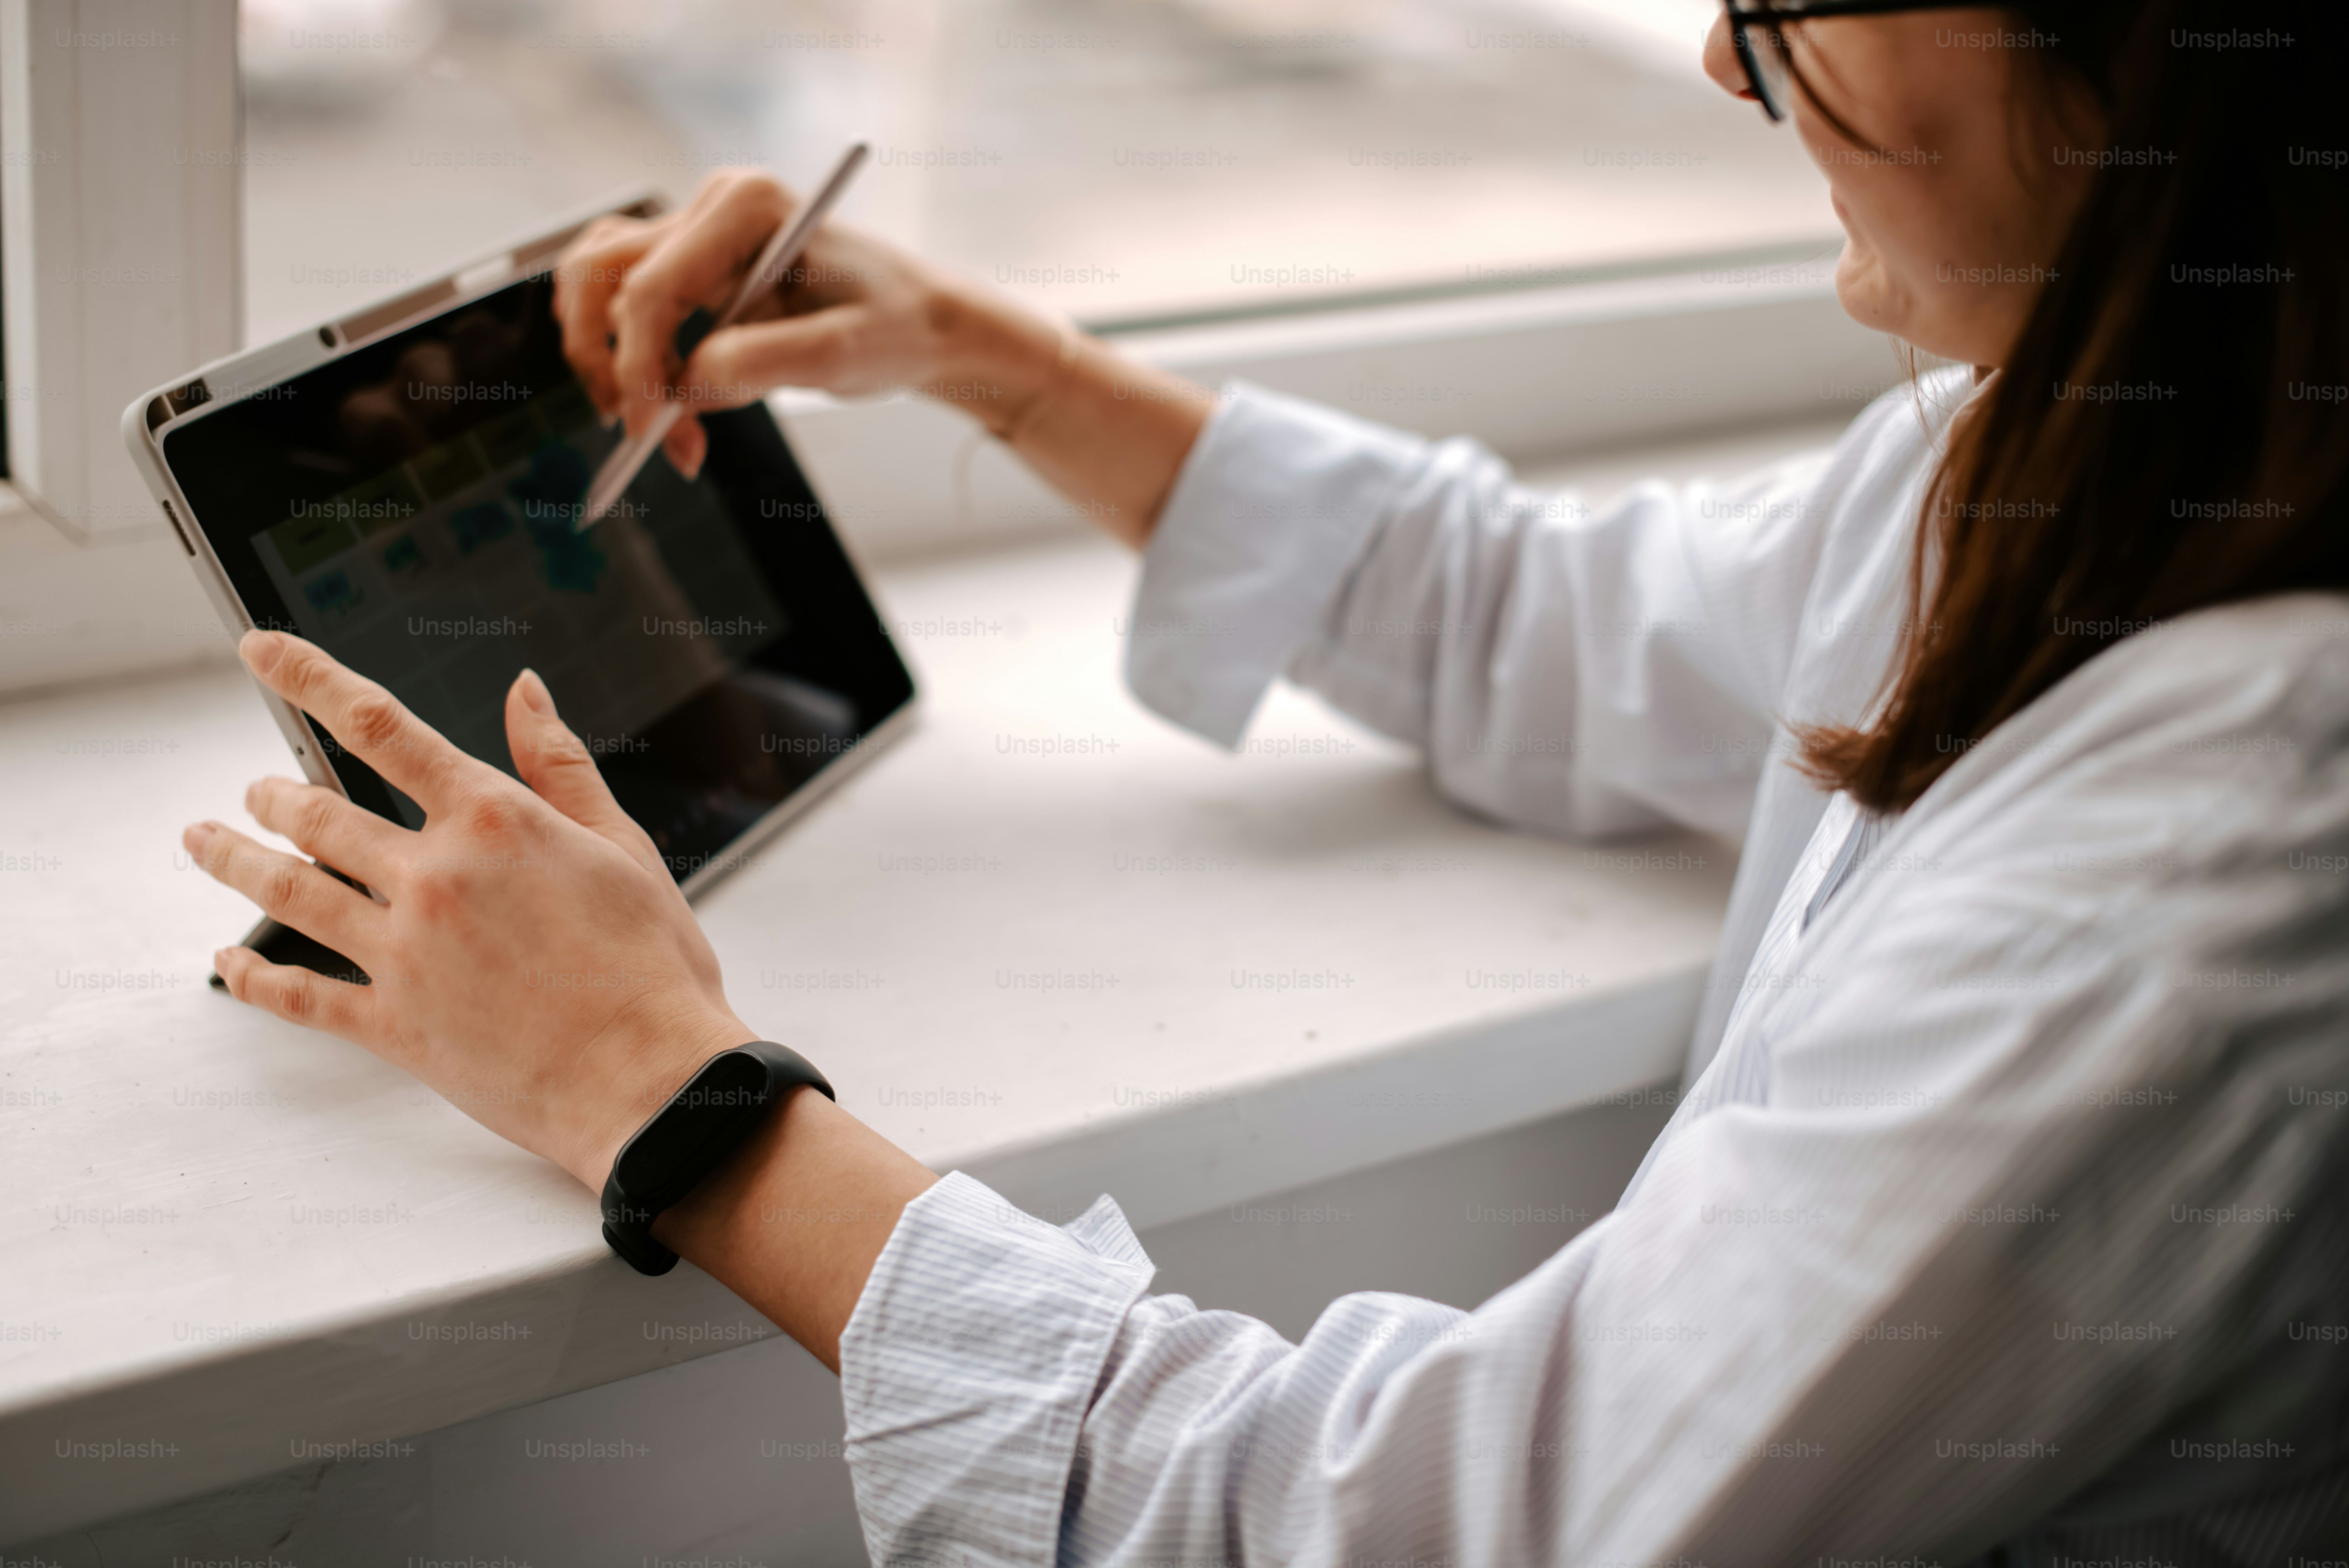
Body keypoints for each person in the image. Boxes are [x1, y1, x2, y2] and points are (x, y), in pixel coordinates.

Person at [183, 0, 2349, 1560]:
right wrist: (979, 357)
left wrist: (673, 1100)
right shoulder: (2063, 446)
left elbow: (1432, 1532)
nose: (1719, 56)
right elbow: (1539, 616)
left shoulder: (2232, 849)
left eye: (1803, 5)